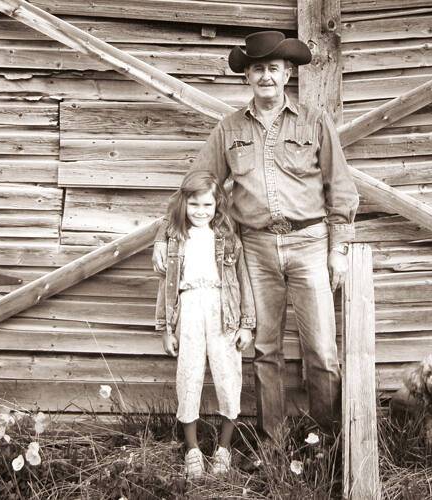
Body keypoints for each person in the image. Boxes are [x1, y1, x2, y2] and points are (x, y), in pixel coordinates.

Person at [154, 31, 358, 439]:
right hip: (257, 250)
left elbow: (341, 188)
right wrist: (164, 235)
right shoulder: (228, 130)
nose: (266, 76)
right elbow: (195, 184)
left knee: (322, 352)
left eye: (274, 69)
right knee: (266, 352)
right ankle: (273, 446)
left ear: (288, 74)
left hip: (310, 244)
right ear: (248, 76)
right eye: (258, 69)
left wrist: (338, 248)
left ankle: (328, 444)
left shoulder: (315, 123)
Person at [153, 169, 256, 479]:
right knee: (189, 376)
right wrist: (165, 328)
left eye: (207, 205)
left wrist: (246, 324)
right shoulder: (175, 239)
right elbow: (166, 286)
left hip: (222, 309)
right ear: (183, 204)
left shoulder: (227, 238)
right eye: (194, 205)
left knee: (228, 377)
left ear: (217, 206)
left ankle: (224, 449)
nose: (200, 212)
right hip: (189, 308)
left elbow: (243, 280)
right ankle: (193, 450)